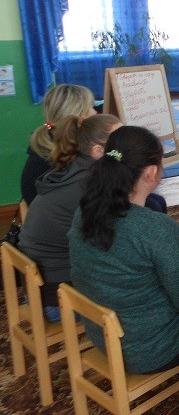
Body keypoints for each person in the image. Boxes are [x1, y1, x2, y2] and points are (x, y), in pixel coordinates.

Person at [67, 125, 179, 374]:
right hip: (152, 350)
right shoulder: (155, 227)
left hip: (105, 338)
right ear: (152, 172)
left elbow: (127, 267)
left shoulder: (85, 210)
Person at [19, 114, 121, 322]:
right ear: (98, 151)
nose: (127, 146)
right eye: (121, 141)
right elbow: (113, 247)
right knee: (145, 297)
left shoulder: (76, 169)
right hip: (58, 301)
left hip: (42, 290)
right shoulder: (91, 185)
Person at [21, 84, 95, 205]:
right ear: (79, 115)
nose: (95, 111)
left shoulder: (51, 140)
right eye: (91, 107)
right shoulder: (65, 155)